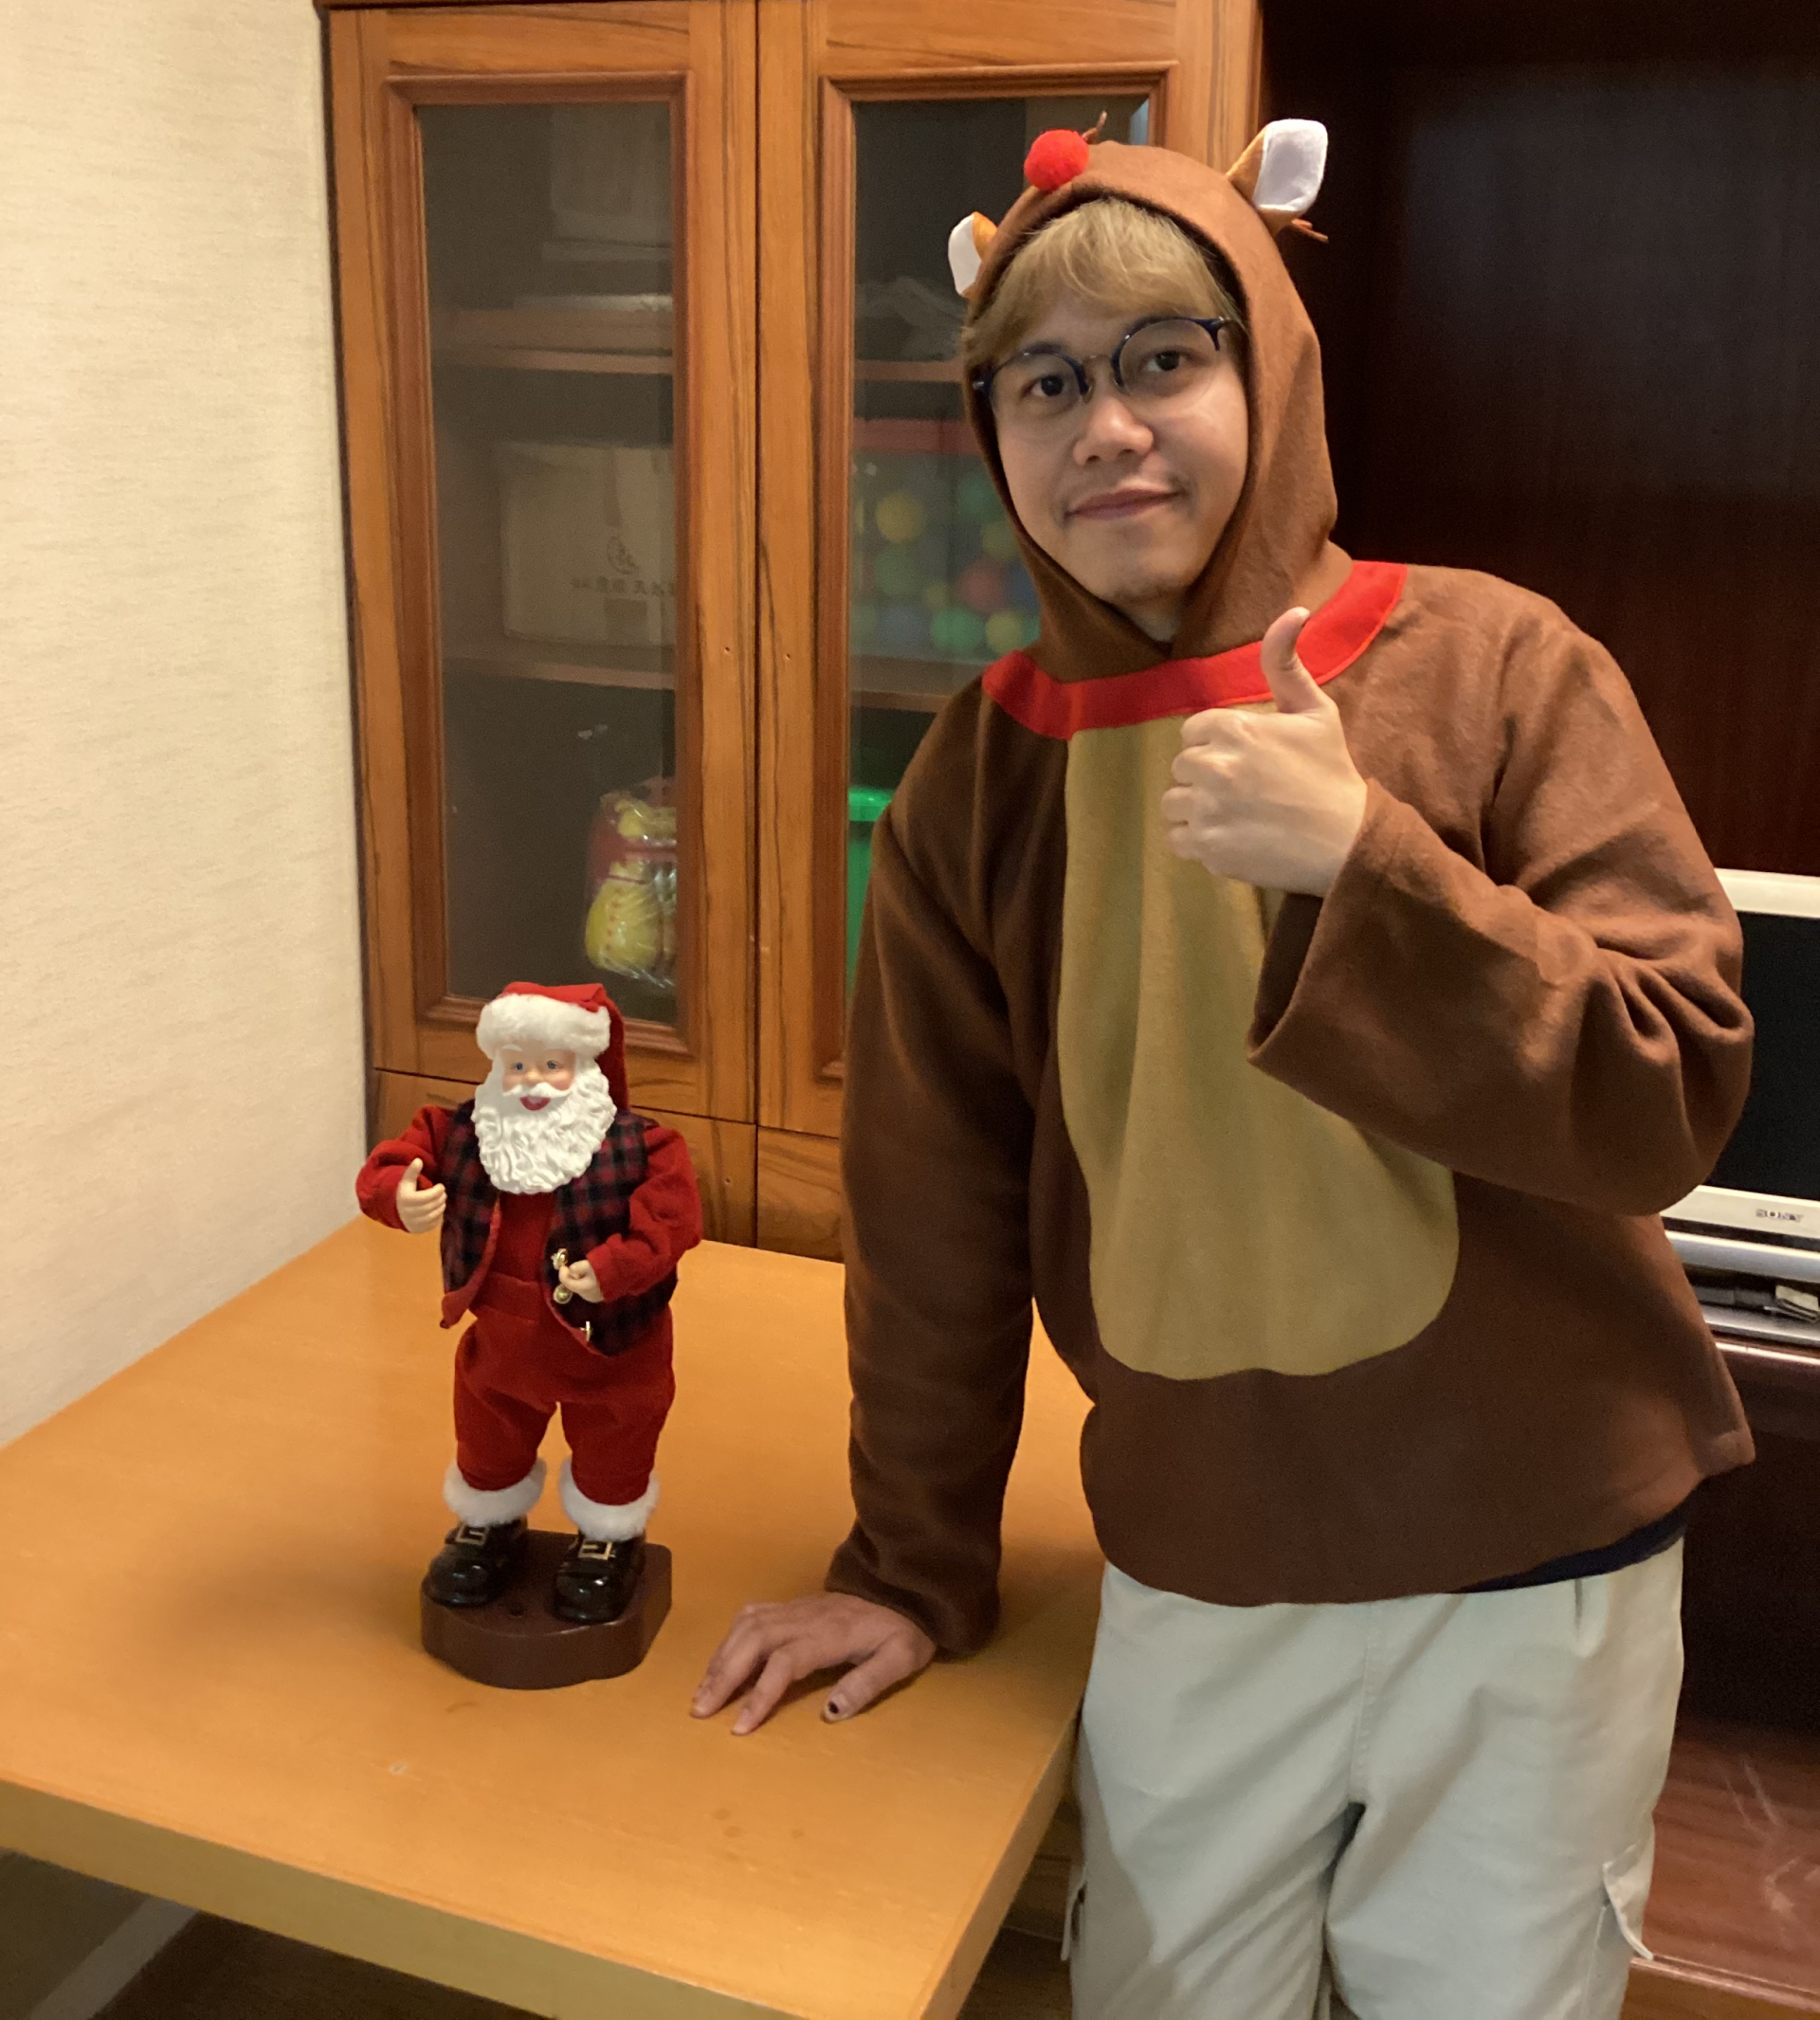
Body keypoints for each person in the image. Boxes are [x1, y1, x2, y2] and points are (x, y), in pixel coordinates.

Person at [693, 123, 1754, 2019]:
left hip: (1539, 1566)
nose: (1105, 427)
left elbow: (1670, 1089)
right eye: (1044, 381)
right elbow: (932, 1214)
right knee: (1165, 1993)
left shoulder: (1498, 665)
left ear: (1270, 368)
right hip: (1204, 1554)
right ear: (993, 431)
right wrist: (911, 1565)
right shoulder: (978, 776)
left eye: (1164, 357)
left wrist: (1370, 865)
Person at [358, 979, 701, 1626]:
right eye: (516, 1065)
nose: (532, 1081)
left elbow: (674, 1218)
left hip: (610, 1344)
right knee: (488, 1432)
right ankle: (491, 1522)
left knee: (616, 1437)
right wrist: (396, 1192)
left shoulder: (643, 1145)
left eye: (551, 1065)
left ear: (585, 1065)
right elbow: (395, 1160)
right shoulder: (464, 1131)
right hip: (503, 1340)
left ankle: (609, 1537)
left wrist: (617, 1266)